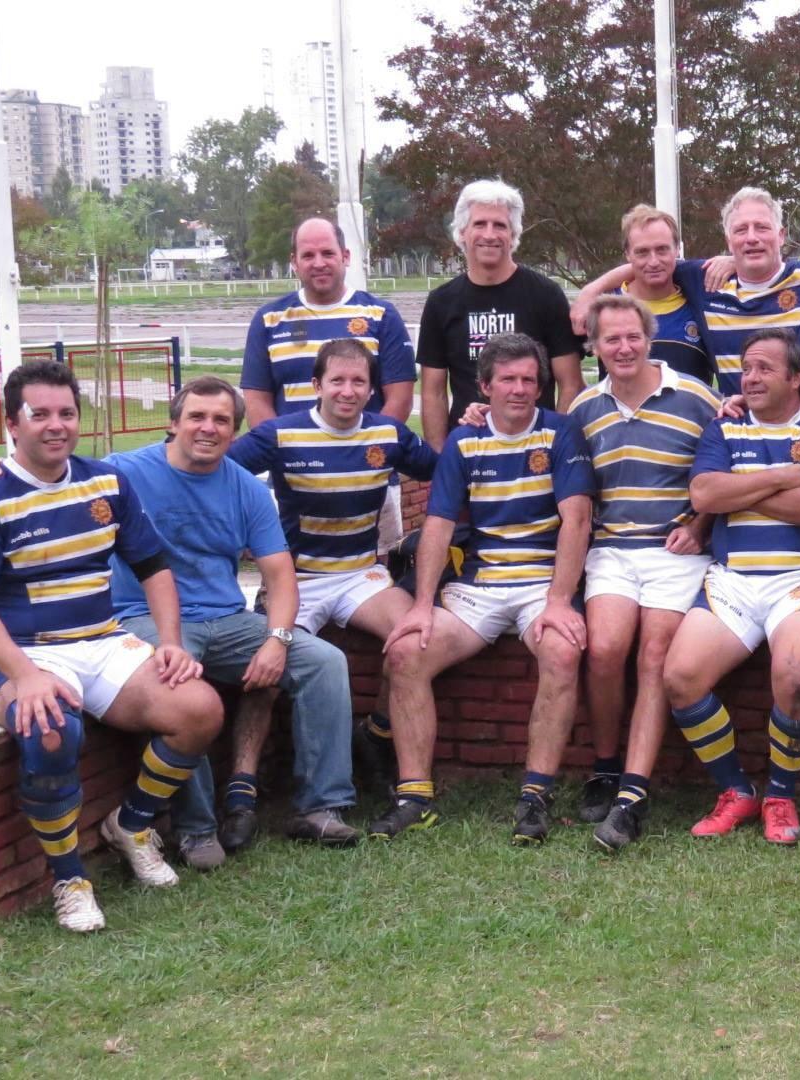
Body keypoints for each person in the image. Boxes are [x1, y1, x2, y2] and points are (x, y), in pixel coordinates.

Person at [0, 376, 365, 864]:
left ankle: (321, 807)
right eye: (196, 417)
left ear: (234, 431)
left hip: (227, 619)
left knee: (324, 661)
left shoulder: (247, 489)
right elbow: (49, 469)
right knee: (176, 676)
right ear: (173, 423)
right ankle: (196, 829)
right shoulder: (123, 472)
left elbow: (282, 577)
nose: (208, 428)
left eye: (221, 420)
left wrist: (278, 640)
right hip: (141, 618)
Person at [0, 361, 222, 933]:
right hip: (20, 654)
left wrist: (169, 642)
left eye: (66, 413)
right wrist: (24, 675)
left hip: (100, 640)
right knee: (49, 727)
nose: (55, 425)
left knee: (199, 708)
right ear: (10, 422)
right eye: (38, 413)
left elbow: (154, 568)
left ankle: (132, 825)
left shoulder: (107, 483)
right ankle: (70, 878)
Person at [378, 334, 593, 842]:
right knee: (406, 654)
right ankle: (415, 796)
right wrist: (422, 606)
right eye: (508, 380)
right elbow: (438, 525)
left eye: (528, 380)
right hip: (480, 585)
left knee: (562, 653)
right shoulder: (463, 440)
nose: (519, 390)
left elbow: (577, 520)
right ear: (484, 386)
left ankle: (535, 796)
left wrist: (560, 600)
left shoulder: (562, 433)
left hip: (544, 584)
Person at [227, 339, 439, 834]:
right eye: (337, 381)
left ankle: (377, 735)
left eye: (358, 382)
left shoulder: (387, 432)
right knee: (266, 667)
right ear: (316, 385)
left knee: (414, 637)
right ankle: (241, 788)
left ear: (372, 388)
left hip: (360, 573)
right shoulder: (280, 434)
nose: (348, 391)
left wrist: (474, 427)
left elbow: (448, 470)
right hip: (295, 579)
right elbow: (210, 467)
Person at [661, 329, 800, 844]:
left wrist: (740, 492)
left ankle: (780, 795)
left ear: (796, 378)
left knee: (794, 678)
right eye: (747, 368)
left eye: (765, 368)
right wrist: (787, 475)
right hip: (732, 581)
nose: (751, 377)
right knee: (681, 678)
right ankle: (735, 791)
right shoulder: (723, 429)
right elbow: (703, 493)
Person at [560, 294, 723, 851]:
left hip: (677, 551)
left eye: (633, 336)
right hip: (613, 551)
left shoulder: (696, 397)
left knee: (655, 654)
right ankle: (605, 766)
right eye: (611, 339)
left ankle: (633, 791)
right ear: (595, 347)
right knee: (604, 649)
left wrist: (700, 525)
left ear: (648, 338)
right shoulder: (584, 409)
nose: (623, 348)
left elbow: (726, 465)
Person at [575, 186, 800, 396]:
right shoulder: (705, 280)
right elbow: (648, 260)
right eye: (741, 230)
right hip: (735, 428)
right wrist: (591, 291)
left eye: (762, 227)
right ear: (728, 239)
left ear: (781, 235)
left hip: (799, 426)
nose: (752, 237)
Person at [417, 179, 584, 430]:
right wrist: (441, 458)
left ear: (513, 234)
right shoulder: (441, 302)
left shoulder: (545, 295)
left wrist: (554, 443)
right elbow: (433, 394)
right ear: (463, 231)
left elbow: (571, 384)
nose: (489, 234)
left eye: (499, 225)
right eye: (479, 224)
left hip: (533, 454)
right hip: (469, 451)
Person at [239, 217, 415, 425]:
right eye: (308, 255)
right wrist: (284, 451)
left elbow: (400, 400)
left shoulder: (382, 316)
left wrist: (367, 446)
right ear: (294, 262)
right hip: (290, 456)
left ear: (345, 256)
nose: (319, 263)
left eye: (328, 253)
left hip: (362, 454)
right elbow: (256, 403)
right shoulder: (268, 320)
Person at [615, 203, 715, 387]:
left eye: (662, 249)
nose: (653, 261)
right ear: (628, 255)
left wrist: (732, 261)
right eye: (642, 252)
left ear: (677, 249)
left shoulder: (702, 303)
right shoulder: (605, 307)